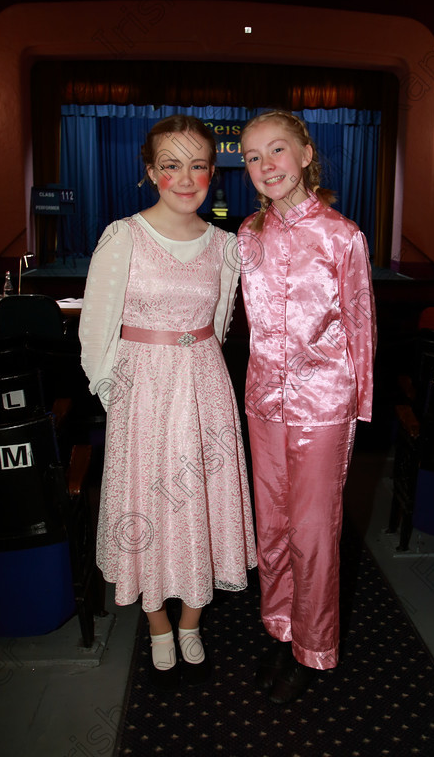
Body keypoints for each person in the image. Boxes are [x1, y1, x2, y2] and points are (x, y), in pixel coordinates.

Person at [79, 114, 257, 690]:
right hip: (142, 393)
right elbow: (96, 332)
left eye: (198, 165)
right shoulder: (122, 236)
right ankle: (156, 622)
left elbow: (221, 323)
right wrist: (119, 400)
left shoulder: (226, 247)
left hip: (204, 388)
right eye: (172, 165)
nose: (186, 178)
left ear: (212, 172)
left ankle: (191, 621)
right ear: (151, 171)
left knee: (202, 503)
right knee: (147, 510)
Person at [237, 110, 376, 704]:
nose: (265, 166)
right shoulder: (247, 235)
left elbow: (362, 328)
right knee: (271, 526)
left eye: (276, 151)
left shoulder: (343, 236)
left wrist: (358, 408)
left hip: (323, 406)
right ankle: (280, 627)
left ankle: (314, 649)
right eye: (251, 157)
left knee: (313, 532)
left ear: (305, 153)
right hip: (263, 401)